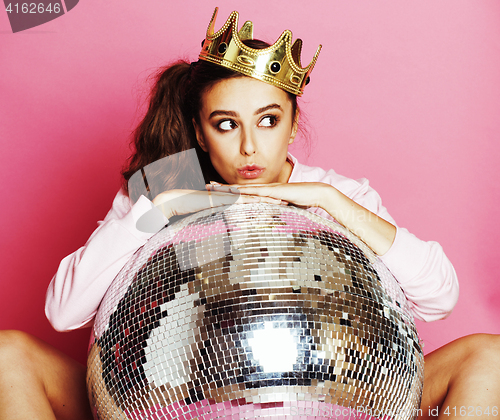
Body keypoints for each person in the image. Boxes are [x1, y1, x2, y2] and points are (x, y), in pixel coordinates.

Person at [0, 8, 498, 420]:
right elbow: (63, 313)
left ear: (292, 121)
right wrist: (156, 209)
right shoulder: (165, 186)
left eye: (267, 120)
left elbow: (440, 298)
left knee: (489, 359)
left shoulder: (335, 193)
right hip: (176, 400)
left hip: (333, 399)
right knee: (8, 357)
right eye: (225, 124)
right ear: (199, 132)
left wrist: (329, 202)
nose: (249, 147)